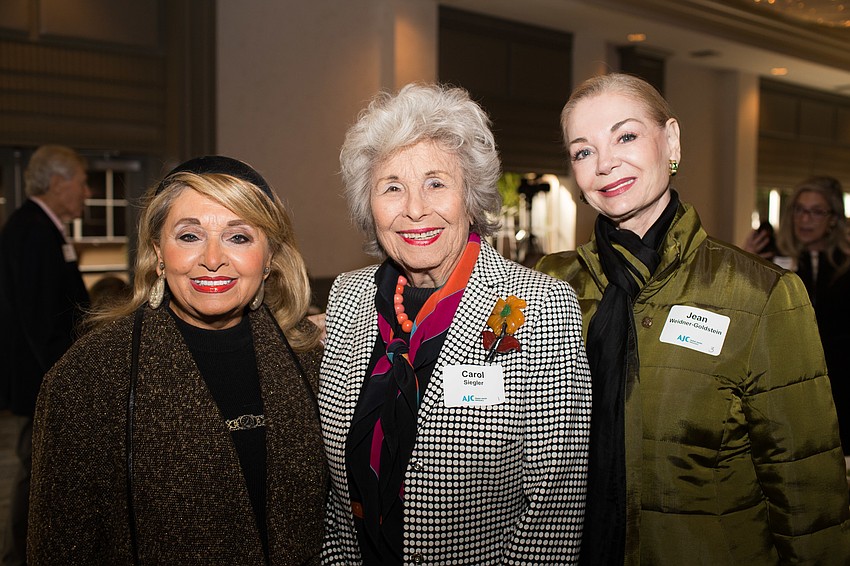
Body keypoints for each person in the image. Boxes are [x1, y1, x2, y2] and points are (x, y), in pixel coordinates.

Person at [537, 73, 850, 565]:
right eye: (583, 151)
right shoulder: (545, 285)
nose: (606, 163)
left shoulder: (761, 292)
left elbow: (804, 484)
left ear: (672, 140)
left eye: (626, 135)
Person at [319, 83, 592, 565]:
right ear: (370, 206)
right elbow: (333, 499)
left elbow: (556, 503)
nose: (415, 209)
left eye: (436, 183)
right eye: (392, 187)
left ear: (471, 197)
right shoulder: (348, 299)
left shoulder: (539, 304)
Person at [27, 156, 327, 565]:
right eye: (189, 236)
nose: (213, 258)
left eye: (238, 237)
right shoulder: (89, 377)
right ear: (158, 252)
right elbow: (60, 547)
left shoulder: (311, 360)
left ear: (269, 256)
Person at [0, 145, 91, 566]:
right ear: (57, 183)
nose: (87, 192)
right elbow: (40, 322)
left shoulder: (40, 227)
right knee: (35, 473)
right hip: (42, 380)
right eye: (82, 181)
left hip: (43, 376)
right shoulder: (35, 231)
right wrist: (65, 382)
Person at [771, 176, 850, 455]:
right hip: (788, 381)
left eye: (816, 211)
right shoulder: (771, 259)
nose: (806, 219)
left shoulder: (845, 263)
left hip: (840, 383)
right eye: (800, 210)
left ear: (832, 218)